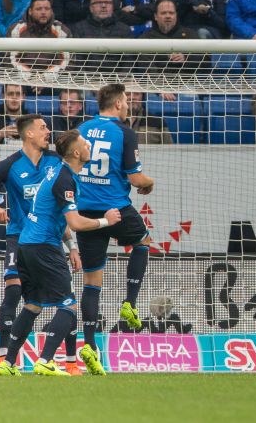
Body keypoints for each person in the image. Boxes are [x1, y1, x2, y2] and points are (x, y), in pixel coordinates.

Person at [0, 129, 122, 377]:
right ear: (77, 152)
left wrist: (72, 247)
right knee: (69, 306)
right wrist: (106, 222)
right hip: (43, 247)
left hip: (26, 244)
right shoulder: (64, 178)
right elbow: (74, 222)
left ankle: (7, 363)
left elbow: (52, 215)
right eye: (85, 144)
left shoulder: (56, 172)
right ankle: (45, 360)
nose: (89, 147)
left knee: (32, 305)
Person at [0, 115, 80, 374]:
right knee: (19, 293)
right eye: (42, 127)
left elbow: (60, 209)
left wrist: (72, 245)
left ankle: (69, 360)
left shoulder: (55, 162)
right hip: (19, 238)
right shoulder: (9, 165)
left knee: (46, 301)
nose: (48, 131)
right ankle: (8, 359)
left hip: (49, 241)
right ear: (28, 134)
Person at [74, 84, 156, 376]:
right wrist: (150, 182)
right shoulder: (124, 131)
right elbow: (135, 178)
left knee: (92, 280)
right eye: (127, 101)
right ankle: (129, 304)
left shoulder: (82, 127)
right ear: (119, 103)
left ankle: (90, 346)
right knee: (144, 241)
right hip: (116, 208)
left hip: (85, 210)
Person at [7, 0, 72, 83]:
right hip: (23, 79)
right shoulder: (16, 29)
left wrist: (45, 78)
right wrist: (31, 78)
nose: (43, 12)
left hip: (53, 80)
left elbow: (67, 60)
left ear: (51, 11)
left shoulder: (61, 30)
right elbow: (10, 59)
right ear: (30, 11)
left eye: (47, 9)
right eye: (39, 9)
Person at [139, 0, 203, 74]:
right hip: (157, 82)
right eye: (163, 13)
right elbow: (144, 66)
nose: (168, 16)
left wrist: (185, 58)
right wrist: (166, 58)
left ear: (176, 15)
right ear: (155, 16)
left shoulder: (190, 34)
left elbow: (205, 59)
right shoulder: (146, 38)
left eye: (171, 13)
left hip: (187, 82)